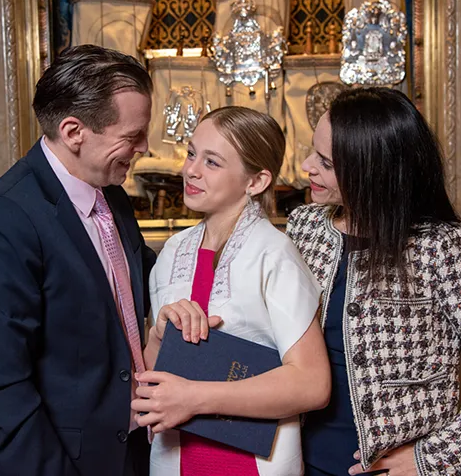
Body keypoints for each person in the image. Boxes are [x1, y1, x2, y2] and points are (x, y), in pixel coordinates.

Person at [287, 87, 461, 476]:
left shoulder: (440, 247)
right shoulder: (304, 227)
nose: (307, 165)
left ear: (371, 169)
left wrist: (433, 459)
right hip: (293, 459)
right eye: (313, 152)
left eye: (325, 162)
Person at [0, 45, 157, 476]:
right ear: (73, 131)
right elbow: (0, 387)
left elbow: (141, 282)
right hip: (56, 462)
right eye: (132, 136)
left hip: (129, 453)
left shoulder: (111, 194)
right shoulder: (3, 218)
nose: (145, 148)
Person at [133, 106, 331, 476]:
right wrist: (159, 335)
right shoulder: (173, 251)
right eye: (192, 154)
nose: (191, 170)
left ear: (255, 181)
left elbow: (312, 383)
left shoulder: (275, 254)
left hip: (253, 463)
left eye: (212, 162)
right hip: (174, 458)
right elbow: (150, 375)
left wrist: (194, 399)